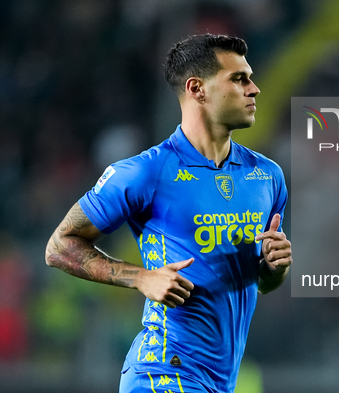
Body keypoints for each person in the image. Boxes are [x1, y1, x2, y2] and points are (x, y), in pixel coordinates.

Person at [45, 34, 292, 393]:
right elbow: (59, 246)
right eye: (239, 79)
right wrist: (140, 277)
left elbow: (263, 284)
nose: (253, 89)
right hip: (162, 372)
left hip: (219, 381)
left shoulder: (267, 176)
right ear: (197, 89)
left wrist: (275, 268)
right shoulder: (147, 171)